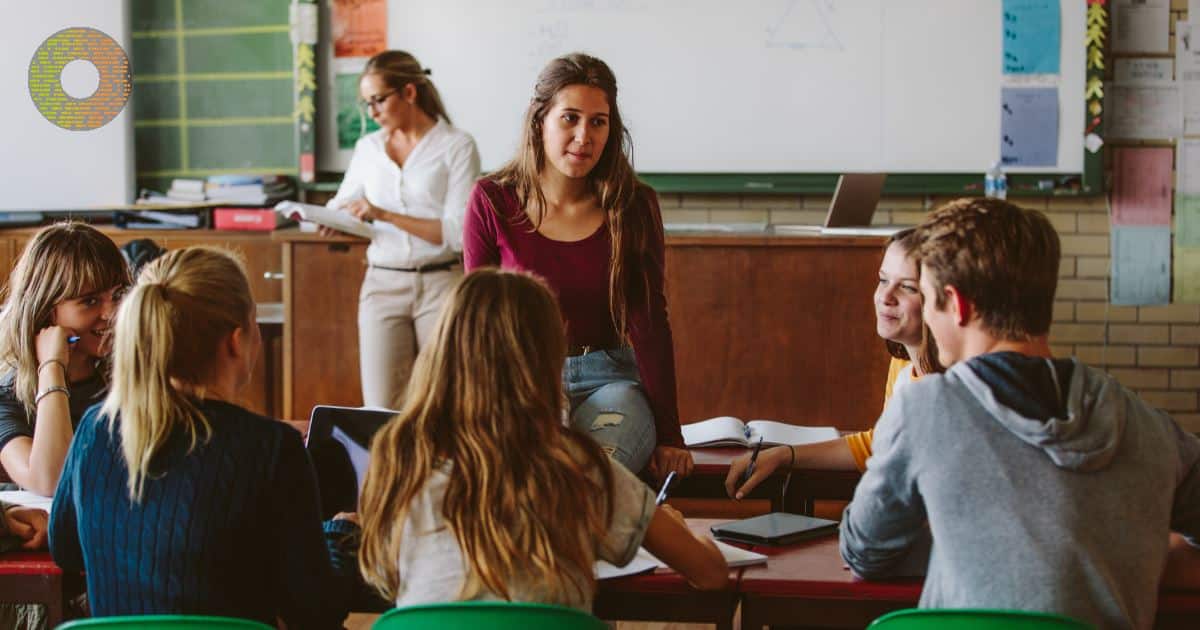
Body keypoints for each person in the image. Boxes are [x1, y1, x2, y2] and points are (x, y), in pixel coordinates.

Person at [839, 198, 1200, 628]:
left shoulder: (924, 409)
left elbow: (864, 553)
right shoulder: (1149, 426)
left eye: (930, 299)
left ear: (957, 305)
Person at [357, 269, 728, 610]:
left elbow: (383, 575)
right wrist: (676, 527)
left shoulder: (398, 457)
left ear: (441, 352)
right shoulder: (577, 465)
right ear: (548, 359)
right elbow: (710, 574)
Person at [49, 247, 357, 628]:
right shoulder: (271, 448)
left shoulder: (95, 429)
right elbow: (315, 610)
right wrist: (341, 535)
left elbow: (66, 550)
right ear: (236, 340)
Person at [463, 53, 689, 479]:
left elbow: (649, 323)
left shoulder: (635, 205)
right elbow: (479, 323)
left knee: (590, 478)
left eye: (598, 122)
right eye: (570, 118)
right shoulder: (493, 199)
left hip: (612, 383)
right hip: (523, 380)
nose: (584, 136)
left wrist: (670, 436)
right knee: (524, 475)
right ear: (540, 122)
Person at [724, 228, 942, 499]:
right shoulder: (903, 363)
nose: (885, 297)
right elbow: (879, 443)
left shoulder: (944, 389)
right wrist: (784, 455)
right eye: (883, 280)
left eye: (907, 287)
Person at [325, 50, 481, 409]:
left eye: (378, 100)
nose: (372, 113)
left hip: (441, 283)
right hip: (382, 283)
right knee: (381, 408)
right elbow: (340, 204)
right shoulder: (368, 149)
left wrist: (383, 214)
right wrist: (334, 219)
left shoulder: (456, 146)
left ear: (409, 93)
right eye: (367, 103)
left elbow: (457, 233)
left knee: (444, 403)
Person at [0, 222, 129, 496]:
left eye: (118, 295)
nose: (113, 312)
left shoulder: (132, 378)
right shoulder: (8, 395)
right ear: (47, 311)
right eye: (90, 301)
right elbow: (51, 481)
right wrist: (51, 367)